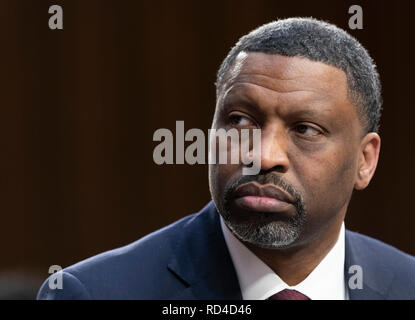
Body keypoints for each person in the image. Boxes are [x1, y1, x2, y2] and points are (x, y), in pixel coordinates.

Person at [37, 17, 415, 300]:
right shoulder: (96, 293)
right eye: (239, 120)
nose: (262, 156)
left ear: (365, 161)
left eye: (305, 129)